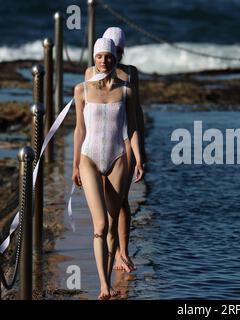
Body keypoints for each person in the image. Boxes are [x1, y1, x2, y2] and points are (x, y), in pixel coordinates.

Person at [73, 37, 144, 299]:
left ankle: (113, 267)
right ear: (94, 58)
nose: (104, 60)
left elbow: (133, 127)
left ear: (116, 58)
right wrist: (74, 166)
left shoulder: (126, 91)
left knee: (113, 223)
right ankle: (104, 284)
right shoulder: (82, 89)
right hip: (88, 158)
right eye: (99, 56)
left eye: (108, 56)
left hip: (117, 157)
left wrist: (138, 159)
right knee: (100, 225)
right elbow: (79, 129)